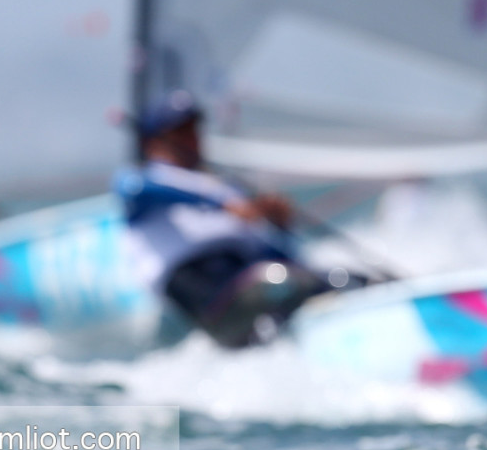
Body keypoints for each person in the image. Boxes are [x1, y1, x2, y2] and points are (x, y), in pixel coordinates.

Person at [113, 93, 331, 347]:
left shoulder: (224, 187)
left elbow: (271, 251)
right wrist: (223, 203)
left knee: (338, 279)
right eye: (179, 132)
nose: (191, 140)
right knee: (276, 283)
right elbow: (133, 188)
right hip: (200, 282)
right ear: (153, 143)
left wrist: (280, 225)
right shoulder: (146, 179)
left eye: (193, 130)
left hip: (247, 271)